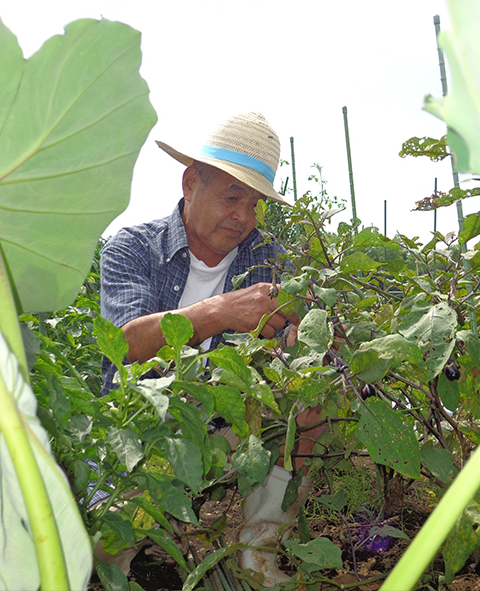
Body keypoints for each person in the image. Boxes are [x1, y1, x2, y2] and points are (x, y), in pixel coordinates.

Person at [100, 112, 322, 586]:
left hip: (228, 429)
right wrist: (219, 310)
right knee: (105, 542)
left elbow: (290, 351)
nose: (243, 216)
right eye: (231, 196)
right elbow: (124, 343)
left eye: (254, 203)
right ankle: (123, 546)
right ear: (189, 183)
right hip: (143, 430)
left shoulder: (266, 255)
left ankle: (260, 550)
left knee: (316, 392)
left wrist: (306, 339)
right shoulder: (132, 246)